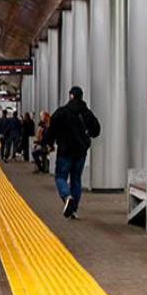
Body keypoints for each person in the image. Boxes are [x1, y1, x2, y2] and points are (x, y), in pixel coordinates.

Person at [43, 86, 101, 219]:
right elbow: (96, 130)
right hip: (80, 152)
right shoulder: (86, 113)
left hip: (64, 151)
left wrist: (48, 143)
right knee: (76, 179)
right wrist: (87, 134)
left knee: (60, 177)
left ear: (70, 96)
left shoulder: (62, 112)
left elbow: (51, 129)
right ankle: (73, 210)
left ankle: (67, 196)